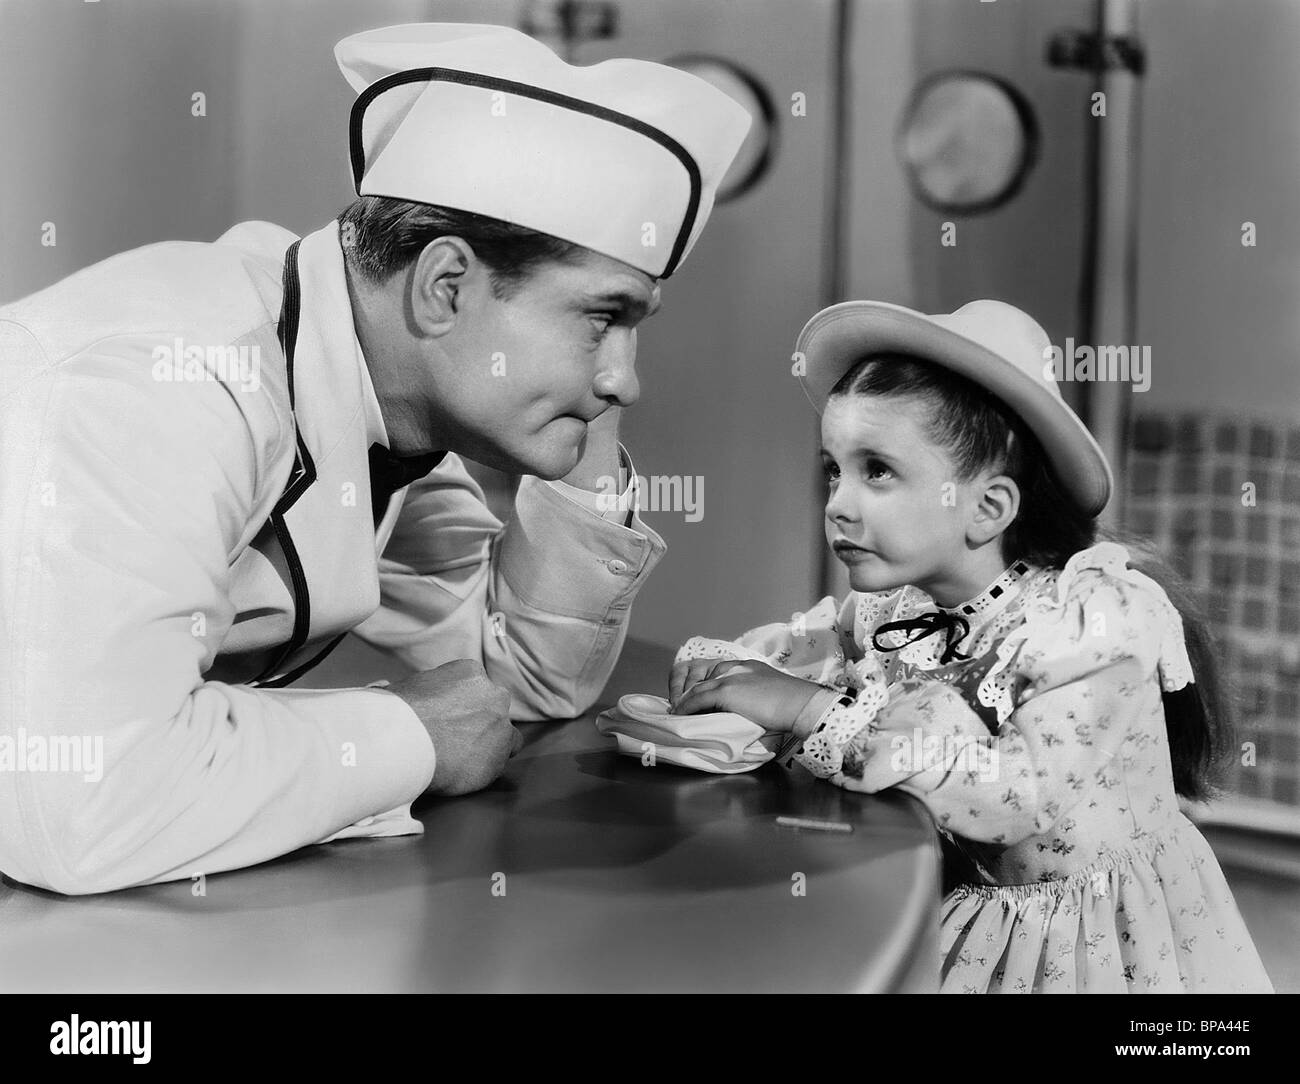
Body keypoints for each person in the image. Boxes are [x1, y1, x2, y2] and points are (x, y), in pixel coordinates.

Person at [0, 23, 750, 895]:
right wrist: (404, 736)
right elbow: (83, 807)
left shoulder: (391, 407)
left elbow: (510, 684)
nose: (630, 380)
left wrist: (584, 413)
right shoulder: (160, 379)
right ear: (446, 288)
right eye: (602, 316)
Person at [668, 298, 1273, 993]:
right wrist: (731, 678)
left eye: (878, 471)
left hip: (1085, 944)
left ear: (987, 508)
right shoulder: (892, 609)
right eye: (834, 468)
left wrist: (809, 710)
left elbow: (1010, 795)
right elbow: (780, 664)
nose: (837, 502)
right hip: (958, 900)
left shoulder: (1096, 618)